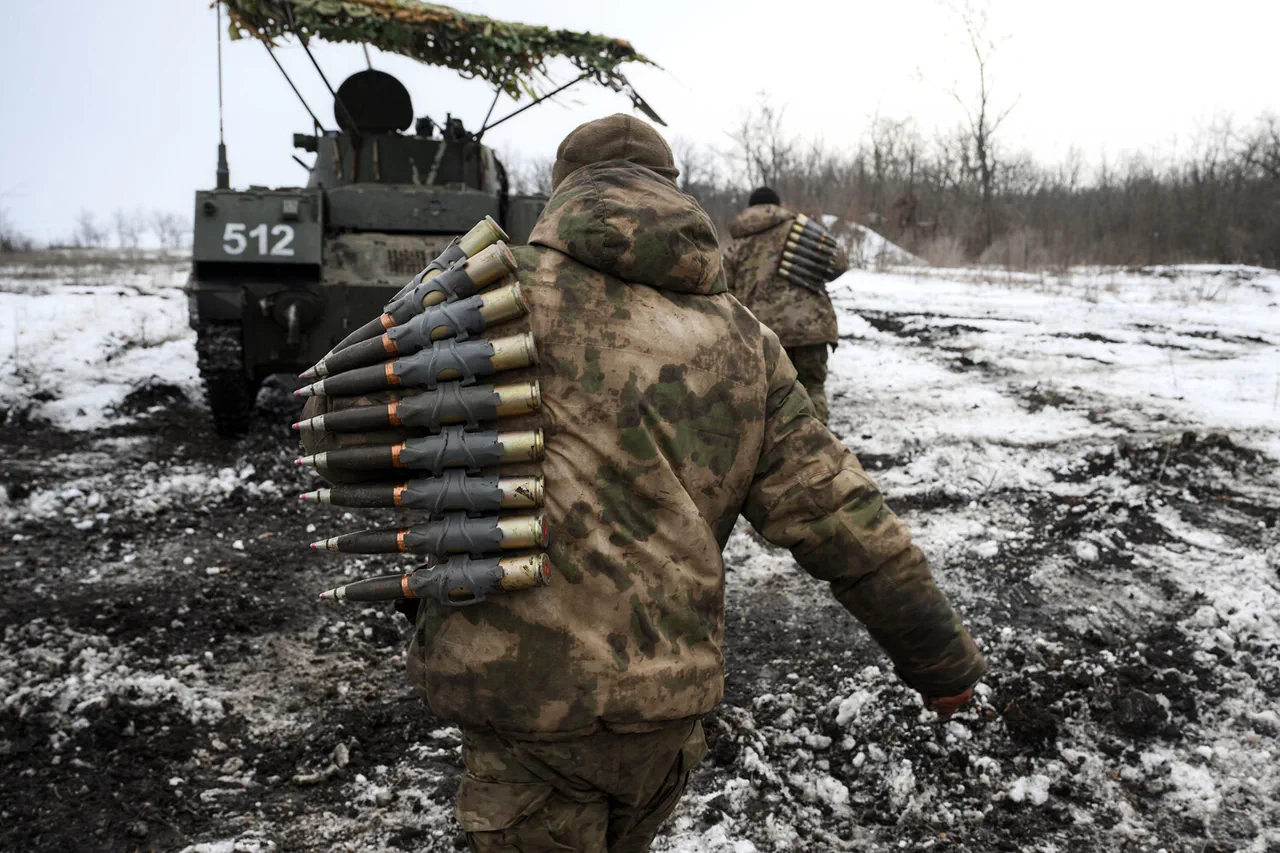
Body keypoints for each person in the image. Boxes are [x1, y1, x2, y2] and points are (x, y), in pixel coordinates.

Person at [307, 114, 985, 852]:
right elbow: (843, 517)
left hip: (521, 698)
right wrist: (938, 660)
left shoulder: (492, 294)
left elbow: (339, 426)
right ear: (672, 193)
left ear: (564, 193)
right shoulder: (745, 341)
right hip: (665, 701)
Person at [722, 187, 846, 423]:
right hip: (812, 328)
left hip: (764, 335)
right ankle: (815, 447)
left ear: (750, 208)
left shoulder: (738, 244)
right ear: (778, 205)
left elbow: (727, 293)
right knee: (813, 389)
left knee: (770, 398)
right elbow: (838, 263)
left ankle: (776, 453)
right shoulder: (799, 227)